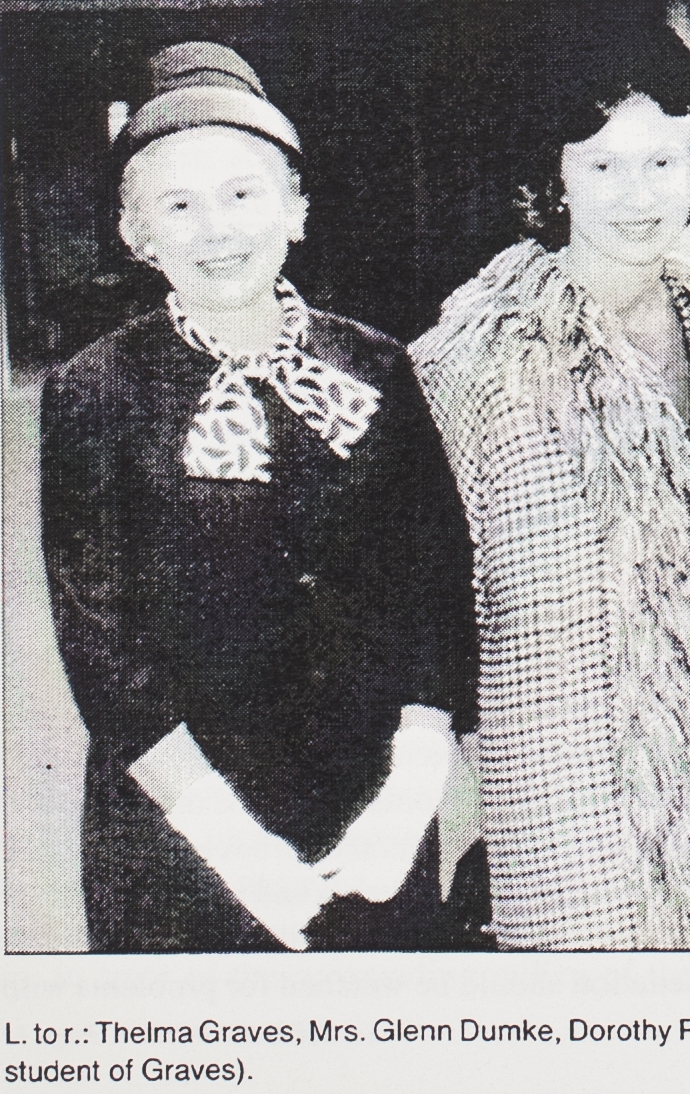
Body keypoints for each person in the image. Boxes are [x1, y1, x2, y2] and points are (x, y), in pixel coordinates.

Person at [41, 42, 476, 952]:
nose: (217, 228)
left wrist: (406, 801)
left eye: (243, 193)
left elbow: (434, 597)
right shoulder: (94, 393)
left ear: (296, 208)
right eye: (179, 204)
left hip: (368, 835)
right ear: (137, 237)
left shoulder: (377, 369)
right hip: (180, 845)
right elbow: (105, 652)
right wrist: (235, 849)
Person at [410, 27, 690, 950]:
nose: (638, 196)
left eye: (661, 161)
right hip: (562, 784)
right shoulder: (478, 359)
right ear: (555, 182)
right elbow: (427, 602)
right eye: (602, 167)